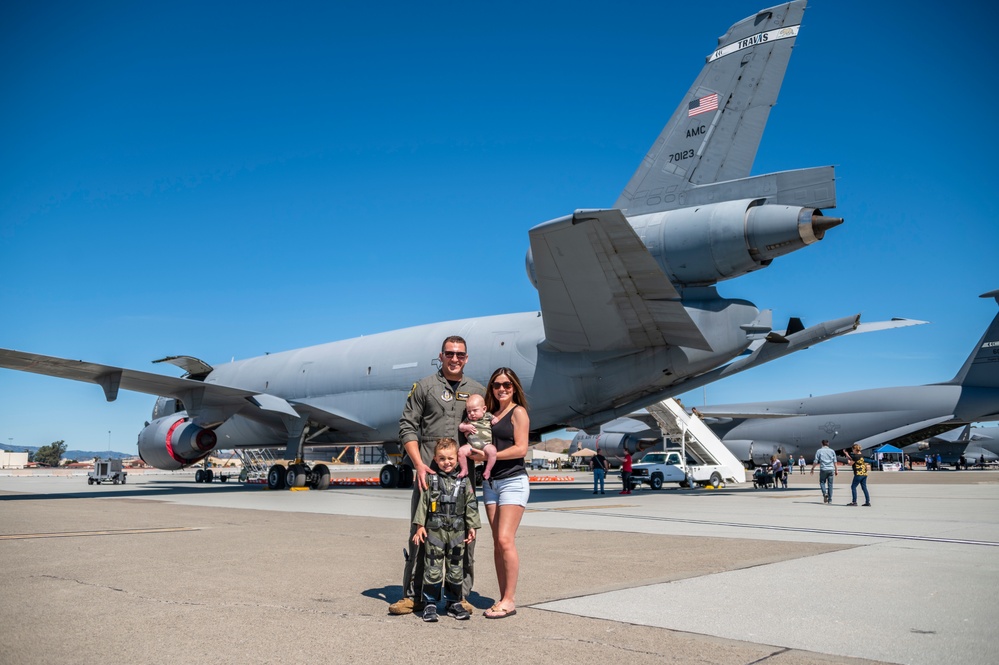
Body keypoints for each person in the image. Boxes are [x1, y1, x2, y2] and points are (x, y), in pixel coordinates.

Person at [390, 336, 485, 616]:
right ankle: (414, 596)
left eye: (460, 355)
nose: (455, 359)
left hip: (463, 476)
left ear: (466, 358)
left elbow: (485, 434)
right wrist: (418, 464)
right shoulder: (424, 387)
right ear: (440, 356)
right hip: (428, 475)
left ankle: (460, 595)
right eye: (449, 354)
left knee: (465, 536)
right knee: (420, 534)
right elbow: (407, 426)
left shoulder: (477, 391)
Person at [470, 367, 530, 619]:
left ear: (514, 387)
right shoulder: (490, 414)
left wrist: (487, 456)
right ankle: (502, 596)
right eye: (497, 385)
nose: (502, 388)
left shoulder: (518, 412)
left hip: (513, 482)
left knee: (505, 540)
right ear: (491, 388)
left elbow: (521, 449)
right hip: (491, 483)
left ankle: (510, 600)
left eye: (506, 384)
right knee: (497, 543)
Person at [411, 438, 480, 622]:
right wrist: (419, 527)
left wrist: (472, 526)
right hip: (435, 532)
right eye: (441, 459)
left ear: (457, 458)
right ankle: (430, 603)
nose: (446, 462)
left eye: (450, 458)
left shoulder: (464, 481)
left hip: (457, 532)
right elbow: (423, 504)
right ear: (435, 458)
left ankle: (453, 602)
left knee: (455, 568)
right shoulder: (431, 479)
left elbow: (471, 505)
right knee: (432, 567)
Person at [457, 393, 496, 480]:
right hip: (471, 445)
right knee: (461, 451)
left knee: (493, 451)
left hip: (485, 444)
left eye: (475, 410)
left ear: (484, 409)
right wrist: (466, 427)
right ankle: (464, 469)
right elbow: (460, 427)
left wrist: (494, 420)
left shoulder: (487, 416)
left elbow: (495, 419)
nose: (472, 414)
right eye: (469, 411)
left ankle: (488, 470)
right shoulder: (468, 419)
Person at [810, 439, 838, 504]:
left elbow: (816, 461)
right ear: (828, 444)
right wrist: (836, 470)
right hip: (831, 469)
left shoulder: (819, 451)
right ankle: (830, 500)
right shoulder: (832, 451)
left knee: (822, 482)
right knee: (830, 484)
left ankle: (824, 493)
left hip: (823, 469)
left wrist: (812, 468)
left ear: (821, 444)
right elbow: (835, 461)